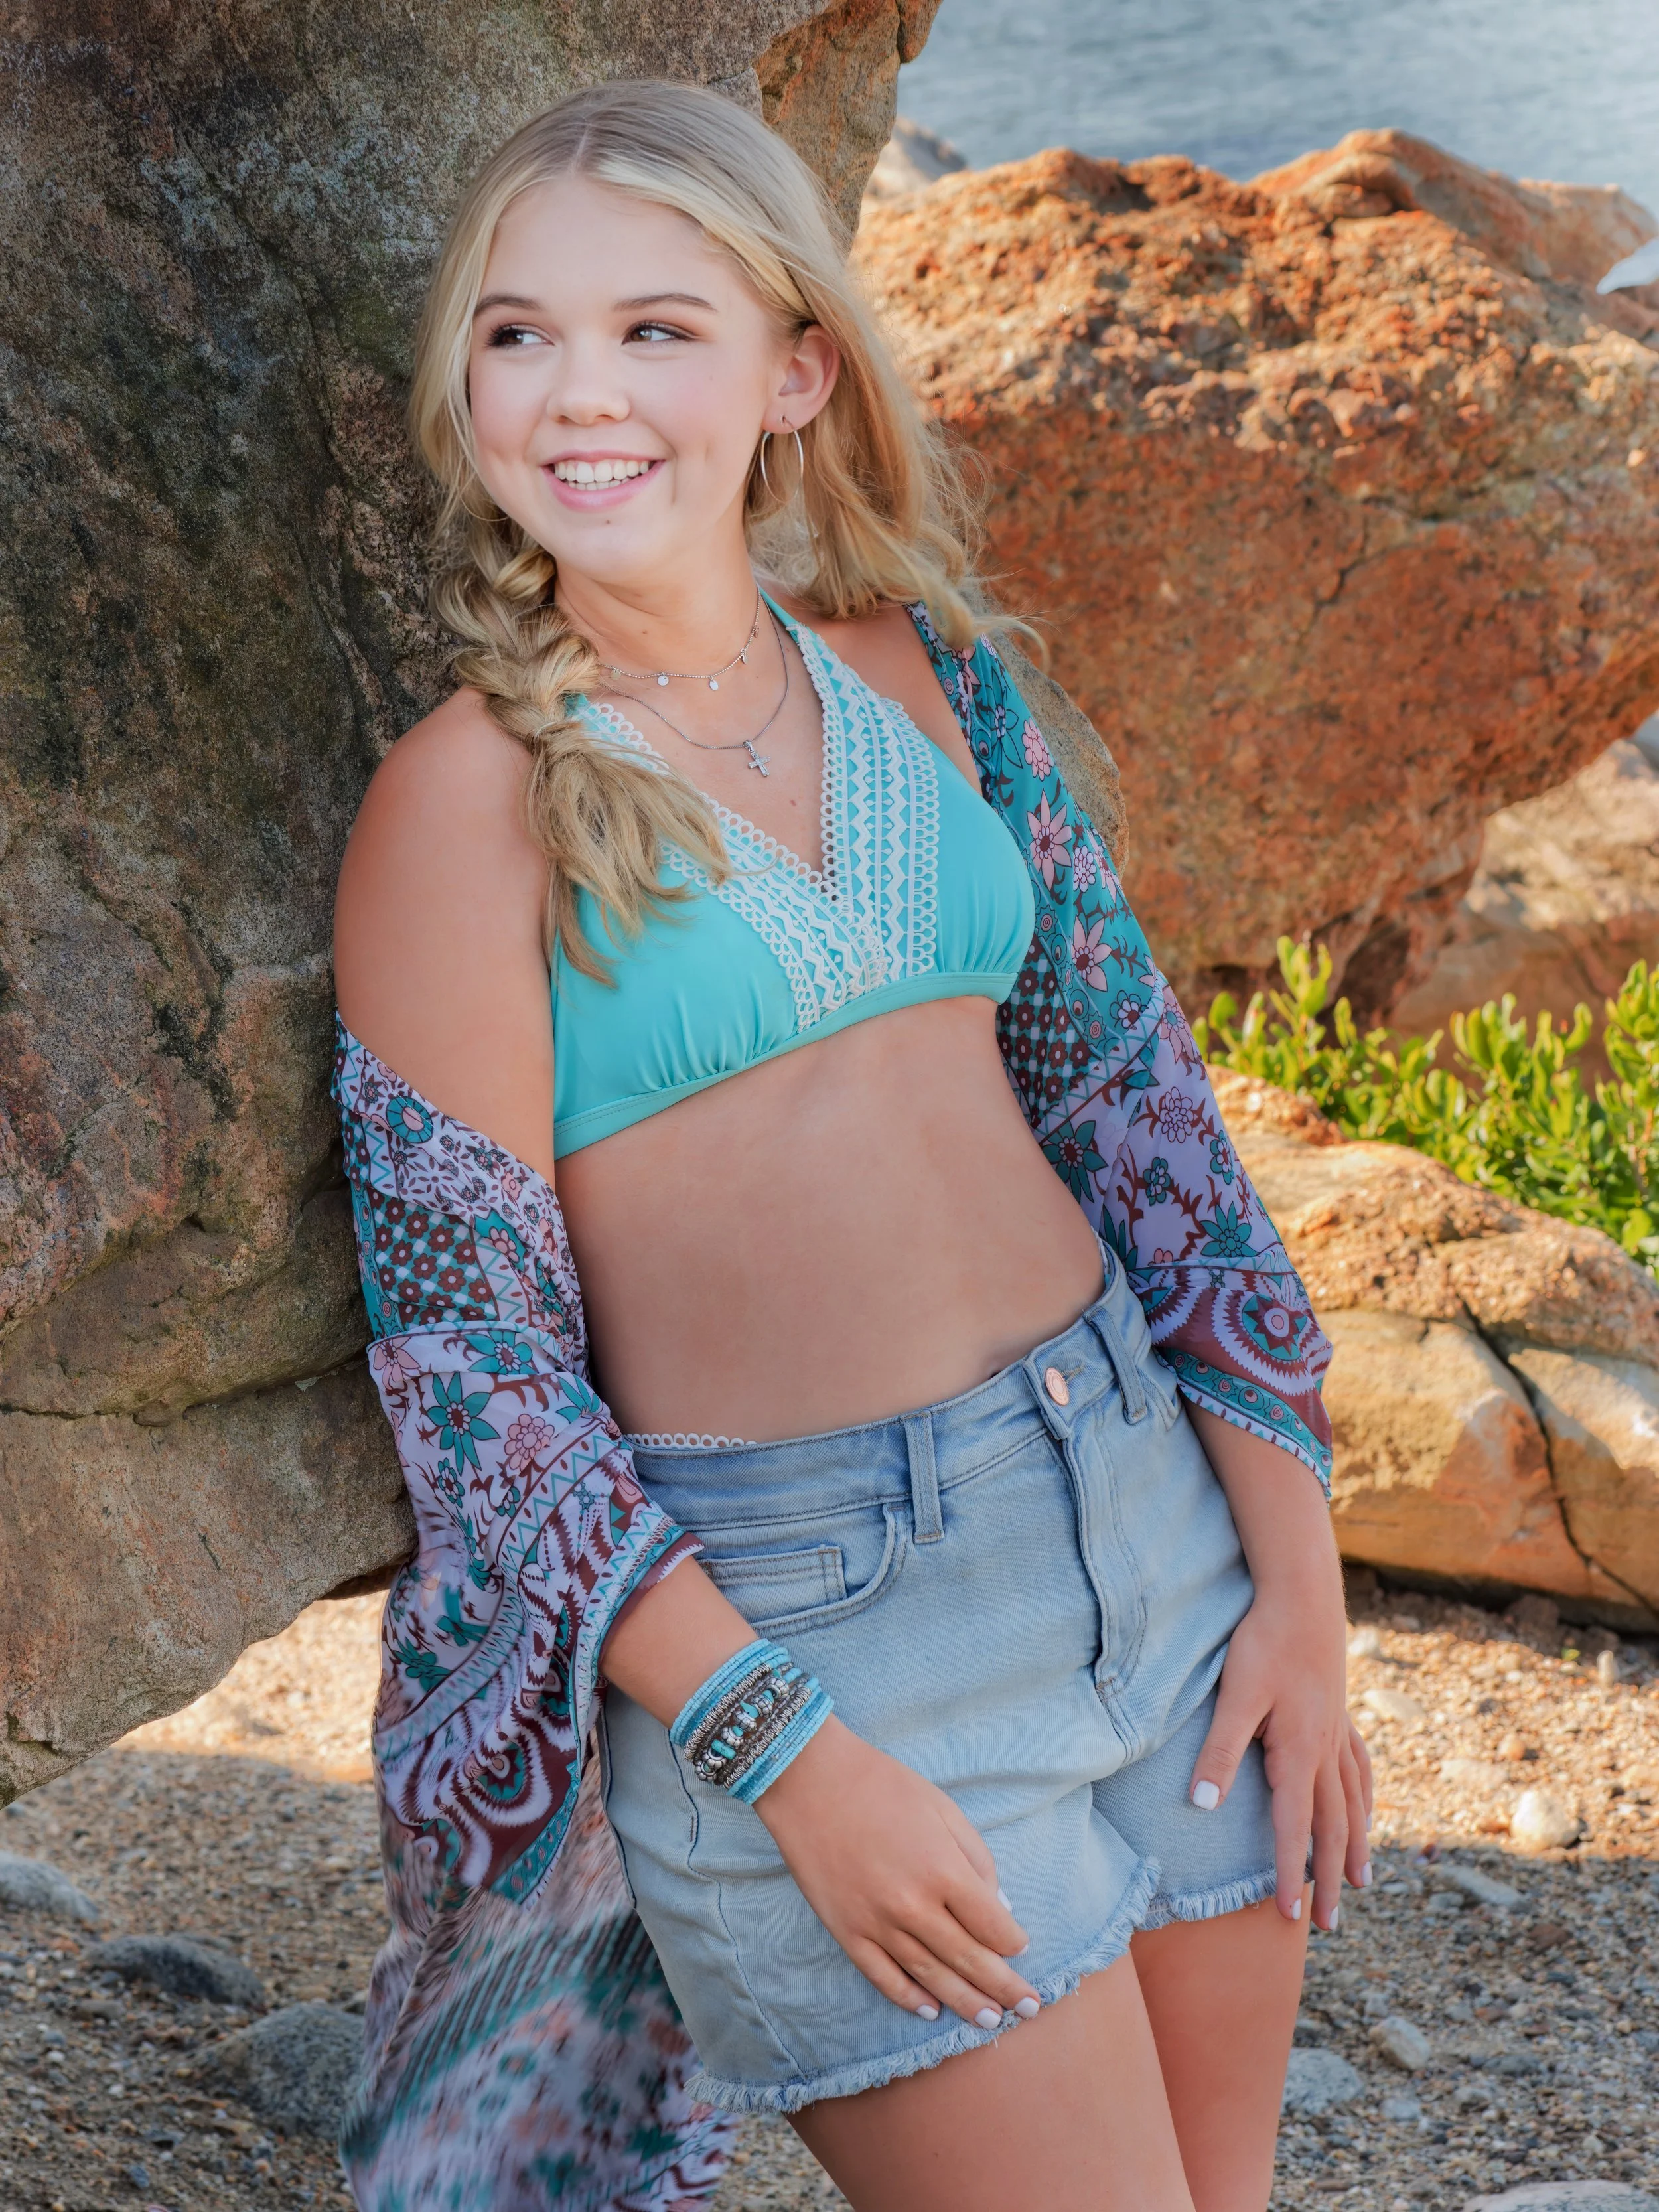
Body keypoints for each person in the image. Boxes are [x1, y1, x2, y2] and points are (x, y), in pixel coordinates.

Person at [330, 77, 1371, 2212]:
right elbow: (481, 1387)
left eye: (656, 329)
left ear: (796, 366)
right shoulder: (463, 806)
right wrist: (775, 1749)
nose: (578, 393)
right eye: (517, 333)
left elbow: (1145, 1131)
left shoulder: (938, 686)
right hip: (822, 1625)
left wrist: (1298, 1586)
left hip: (1151, 1532)